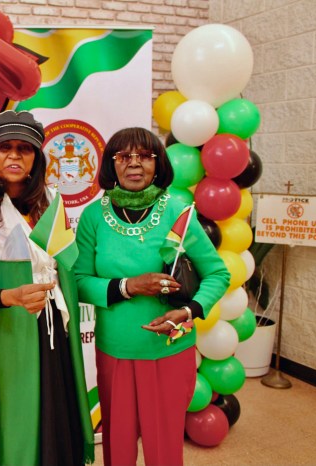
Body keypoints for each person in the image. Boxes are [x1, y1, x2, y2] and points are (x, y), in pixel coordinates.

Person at [74, 127, 230, 466]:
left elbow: (219, 273)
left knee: (165, 444)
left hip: (169, 348)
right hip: (115, 350)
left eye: (145, 156)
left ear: (158, 164)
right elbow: (79, 280)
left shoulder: (177, 209)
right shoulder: (93, 216)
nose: (134, 163)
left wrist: (188, 312)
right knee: (118, 442)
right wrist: (128, 286)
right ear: (110, 165)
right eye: (124, 156)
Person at [0, 110, 95, 466]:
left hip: (50, 335)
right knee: (11, 429)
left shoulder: (51, 200)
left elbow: (64, 268)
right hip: (4, 335)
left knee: (53, 426)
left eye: (24, 149)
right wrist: (6, 296)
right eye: (4, 148)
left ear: (36, 157)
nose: (14, 156)